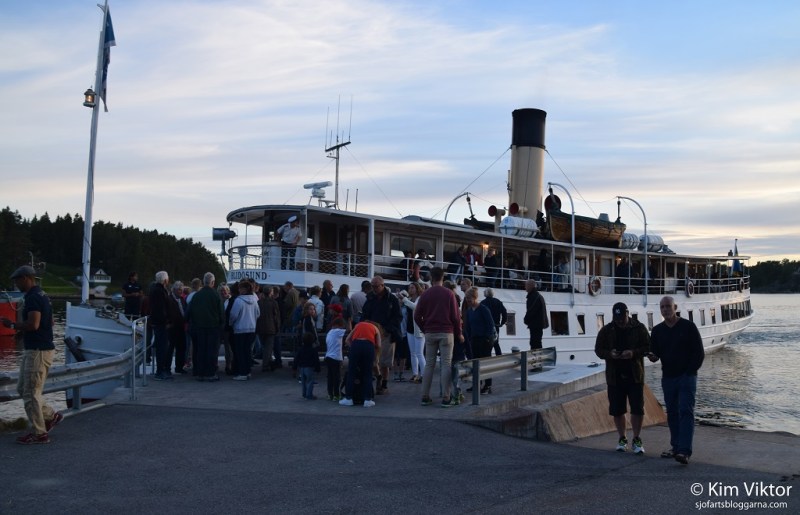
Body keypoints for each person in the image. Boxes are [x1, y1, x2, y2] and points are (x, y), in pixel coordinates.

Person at [1, 265, 63, 444]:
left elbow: (33, 324)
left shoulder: (33, 298)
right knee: (23, 388)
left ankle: (39, 433)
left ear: (26, 278)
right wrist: (24, 332)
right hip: (39, 349)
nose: (16, 284)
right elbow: (50, 322)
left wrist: (12, 325)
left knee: (30, 393)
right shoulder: (42, 295)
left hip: (38, 351)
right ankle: (51, 416)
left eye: (17, 280)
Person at [648, 296, 705, 465]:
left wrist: (690, 372)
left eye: (668, 306)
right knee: (672, 413)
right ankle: (676, 446)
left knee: (686, 411)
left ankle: (684, 451)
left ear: (675, 307)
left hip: (686, 377)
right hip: (668, 377)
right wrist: (652, 356)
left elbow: (699, 352)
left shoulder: (688, 327)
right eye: (662, 307)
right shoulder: (657, 330)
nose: (665, 309)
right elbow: (655, 353)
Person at [594, 302, 651, 454]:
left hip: (635, 375)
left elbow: (648, 346)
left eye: (622, 319)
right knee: (617, 410)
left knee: (637, 409)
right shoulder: (606, 330)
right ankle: (622, 438)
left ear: (627, 314)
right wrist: (610, 354)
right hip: (615, 376)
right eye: (617, 319)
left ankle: (637, 438)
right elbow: (598, 349)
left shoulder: (639, 328)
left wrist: (633, 353)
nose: (619, 322)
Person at [414, 266, 463, 407]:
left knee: (429, 364)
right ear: (443, 277)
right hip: (446, 332)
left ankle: (425, 396)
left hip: (430, 332)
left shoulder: (425, 294)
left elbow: (416, 316)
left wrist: (425, 329)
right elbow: (456, 317)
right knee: (446, 364)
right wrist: (459, 333)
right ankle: (446, 398)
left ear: (431, 277)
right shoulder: (449, 294)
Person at [361, 275, 402, 395]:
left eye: (376, 286)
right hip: (372, 332)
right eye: (372, 286)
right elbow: (364, 313)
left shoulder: (392, 299)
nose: (374, 289)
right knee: (373, 360)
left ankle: (384, 384)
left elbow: (398, 317)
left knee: (385, 361)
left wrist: (387, 329)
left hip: (386, 333)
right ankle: (378, 377)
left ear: (383, 285)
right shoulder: (370, 298)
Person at [186, 273, 225, 381]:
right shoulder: (216, 295)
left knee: (200, 350)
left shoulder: (197, 295)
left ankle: (200, 373)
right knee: (212, 351)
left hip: (199, 327)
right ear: (213, 282)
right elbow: (221, 313)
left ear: (203, 282)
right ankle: (210, 373)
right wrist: (222, 325)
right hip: (213, 327)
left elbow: (189, 312)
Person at [339, 320, 381, 408]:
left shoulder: (358, 325)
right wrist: (376, 357)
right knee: (368, 373)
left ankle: (348, 398)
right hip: (369, 346)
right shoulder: (375, 328)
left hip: (356, 345)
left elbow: (347, 340)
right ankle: (368, 400)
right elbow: (379, 345)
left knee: (351, 373)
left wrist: (354, 348)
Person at [463, 287, 497, 394]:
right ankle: (476, 383)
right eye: (466, 298)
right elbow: (468, 327)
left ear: (475, 297)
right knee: (474, 363)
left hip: (484, 340)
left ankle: (488, 385)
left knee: (485, 363)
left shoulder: (483, 309)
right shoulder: (469, 311)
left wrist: (487, 338)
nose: (468, 300)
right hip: (474, 340)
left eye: (469, 298)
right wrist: (467, 339)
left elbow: (490, 324)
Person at [228, 280, 260, 380]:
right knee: (247, 351)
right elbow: (258, 313)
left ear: (244, 289)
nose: (239, 290)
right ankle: (247, 371)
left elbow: (233, 315)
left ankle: (242, 373)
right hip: (251, 328)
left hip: (240, 329)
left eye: (240, 288)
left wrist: (231, 323)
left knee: (240, 352)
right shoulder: (254, 300)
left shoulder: (239, 300)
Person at [149, 271, 173, 381]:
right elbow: (161, 309)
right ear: (165, 280)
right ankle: (159, 371)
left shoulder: (155, 290)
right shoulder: (160, 291)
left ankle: (161, 370)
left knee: (162, 347)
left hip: (158, 322)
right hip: (161, 324)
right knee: (162, 348)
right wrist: (166, 321)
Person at [401, 282, 425, 383]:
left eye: (412, 287)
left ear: (417, 289)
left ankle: (424, 375)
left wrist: (404, 299)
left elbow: (415, 307)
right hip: (410, 328)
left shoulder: (420, 299)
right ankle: (415, 374)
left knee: (419, 353)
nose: (410, 289)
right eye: (409, 288)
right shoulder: (409, 299)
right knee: (413, 353)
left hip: (419, 329)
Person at [256, 284, 281, 372]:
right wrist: (277, 327)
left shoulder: (259, 302)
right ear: (271, 292)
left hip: (260, 327)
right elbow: (276, 317)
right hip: (271, 327)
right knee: (268, 347)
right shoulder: (274, 303)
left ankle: (268, 362)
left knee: (264, 346)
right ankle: (266, 365)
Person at [167, 281, 188, 374]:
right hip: (172, 328)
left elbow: (185, 310)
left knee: (181, 347)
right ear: (174, 290)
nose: (181, 291)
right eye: (179, 289)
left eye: (182, 289)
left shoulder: (182, 299)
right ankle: (167, 368)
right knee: (170, 348)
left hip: (181, 327)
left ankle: (179, 367)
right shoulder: (169, 299)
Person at [294, 329, 321, 400]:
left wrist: (294, 368)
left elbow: (296, 358)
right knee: (310, 381)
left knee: (303, 382)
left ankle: (304, 394)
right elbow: (316, 360)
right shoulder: (313, 350)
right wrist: (318, 368)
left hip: (302, 367)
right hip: (309, 367)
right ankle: (309, 395)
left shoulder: (300, 349)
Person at [325, 317, 346, 400]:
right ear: (338, 325)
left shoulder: (329, 332)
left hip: (328, 356)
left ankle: (330, 394)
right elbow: (349, 331)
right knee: (336, 378)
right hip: (335, 358)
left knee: (330, 377)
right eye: (342, 326)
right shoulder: (337, 331)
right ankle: (336, 395)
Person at [481, 288, 507, 356]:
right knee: (496, 342)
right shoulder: (498, 302)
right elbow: (504, 312)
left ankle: (488, 357)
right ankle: (499, 356)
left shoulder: (483, 303)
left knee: (487, 343)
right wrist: (502, 322)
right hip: (496, 325)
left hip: (486, 326)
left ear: (486, 293)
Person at [523, 279, 548, 350]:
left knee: (535, 342)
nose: (525, 287)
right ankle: (537, 355)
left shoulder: (533, 297)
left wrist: (526, 320)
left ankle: (536, 356)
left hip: (535, 324)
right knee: (537, 342)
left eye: (526, 285)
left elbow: (531, 310)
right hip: (538, 324)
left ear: (530, 286)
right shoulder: (538, 296)